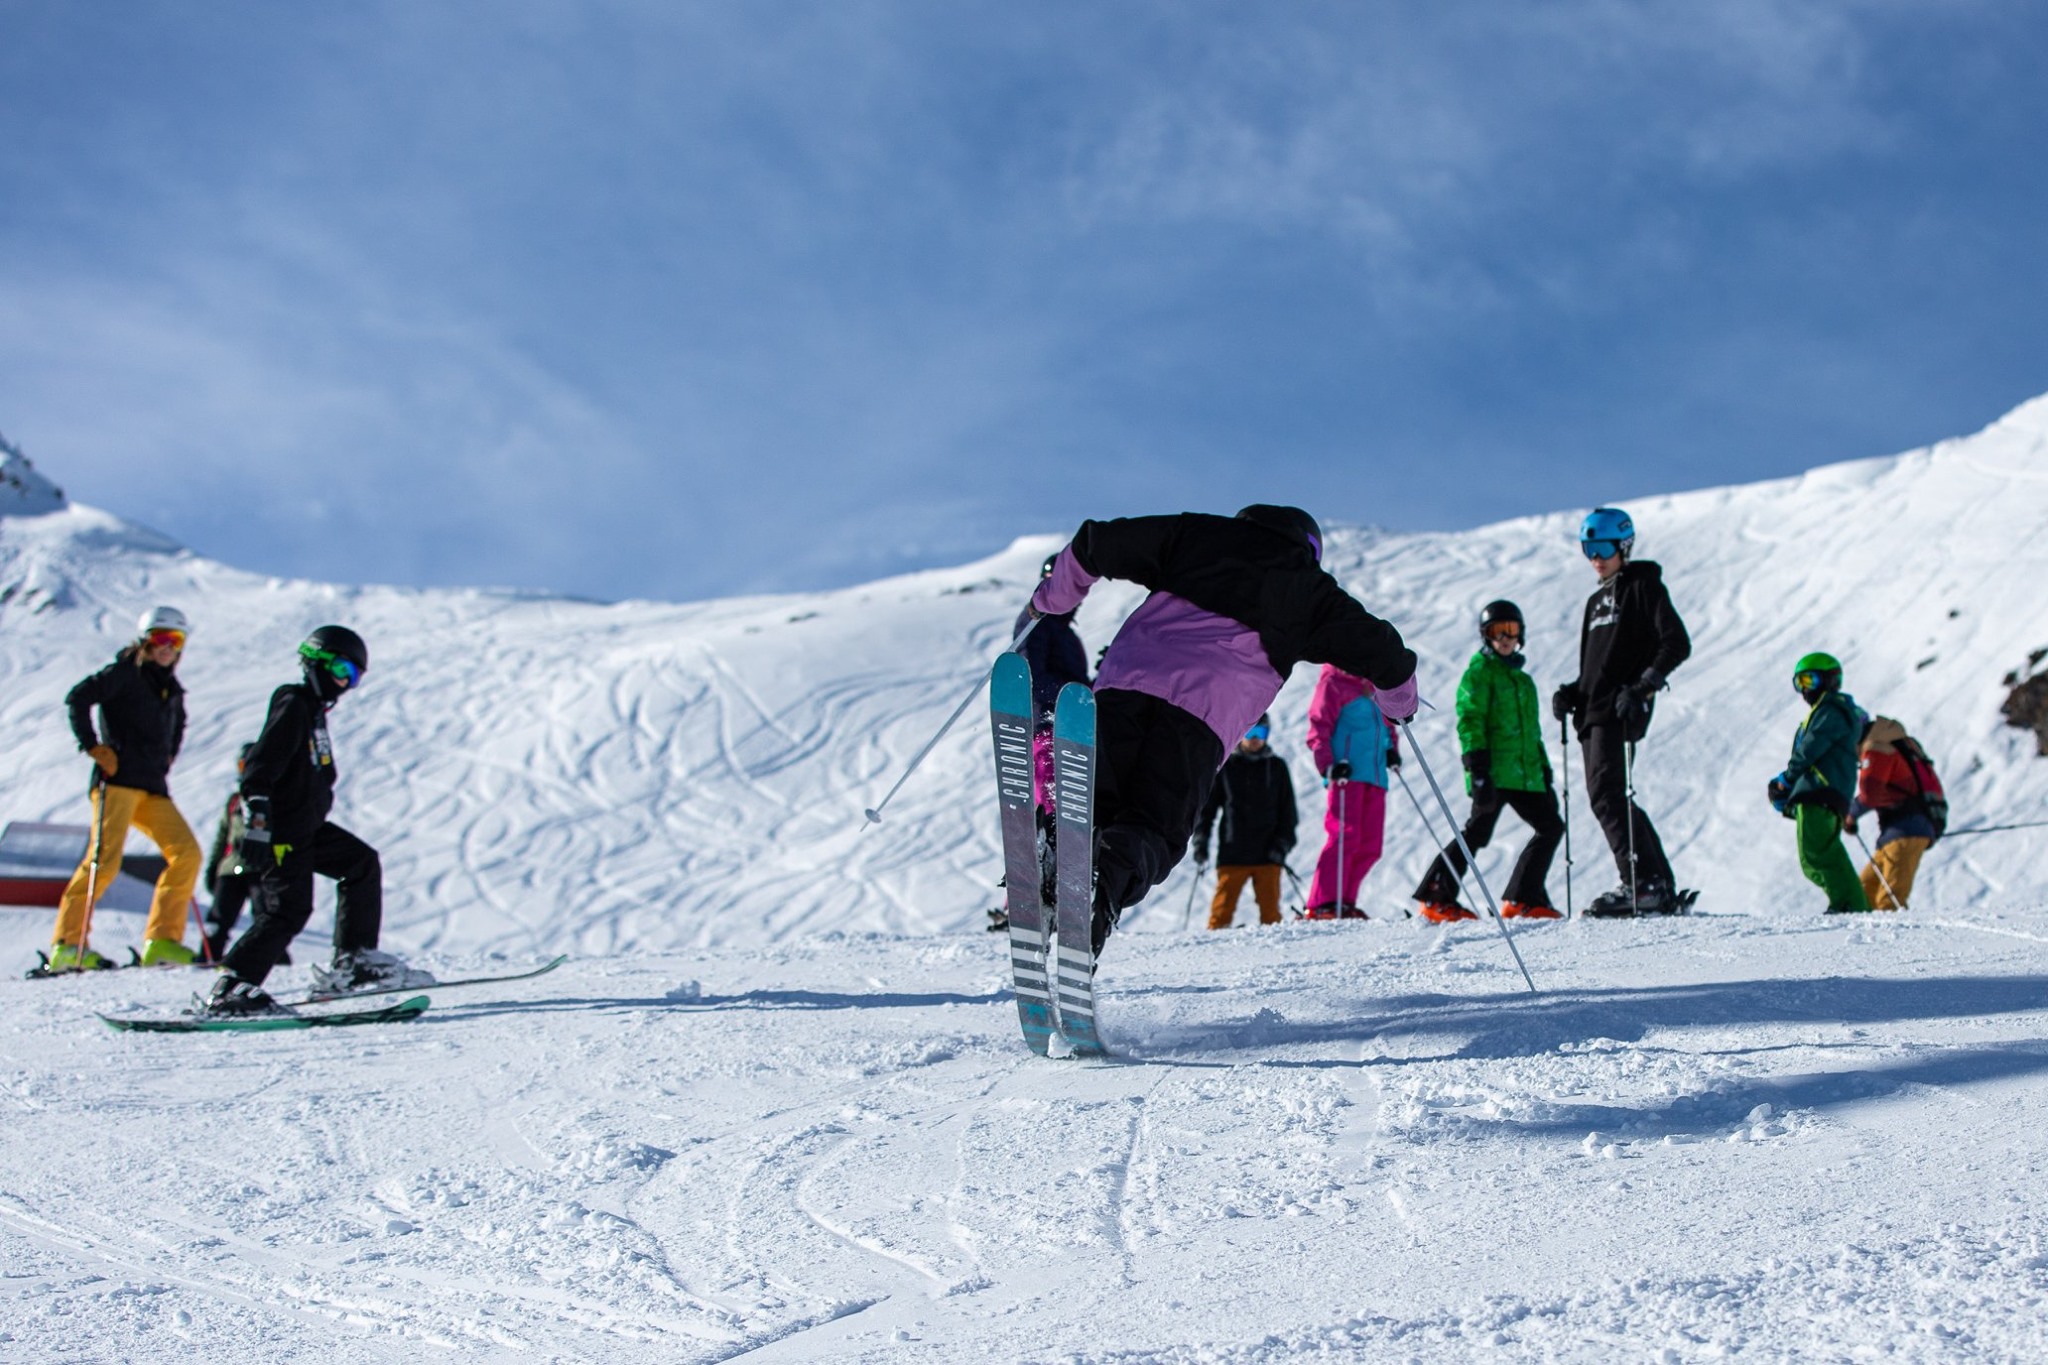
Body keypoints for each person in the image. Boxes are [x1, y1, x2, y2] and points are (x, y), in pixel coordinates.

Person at [1029, 505, 1417, 956]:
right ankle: (1104, 881)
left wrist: (1049, 602)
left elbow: (1094, 543)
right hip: (1201, 718)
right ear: (1309, 547)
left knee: (1099, 798)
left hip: (1126, 686)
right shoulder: (1309, 589)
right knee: (1154, 823)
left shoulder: (1195, 533)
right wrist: (1399, 710)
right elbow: (1388, 656)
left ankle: (1057, 844)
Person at [208, 626, 431, 1014]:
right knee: (287, 911)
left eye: (355, 677)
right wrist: (258, 817)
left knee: (360, 863)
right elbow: (260, 765)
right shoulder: (294, 702)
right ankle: (232, 987)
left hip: (305, 827)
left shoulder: (312, 713)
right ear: (319, 662)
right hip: (282, 831)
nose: (346, 684)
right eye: (344, 670)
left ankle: (354, 962)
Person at [1551, 507, 1692, 916]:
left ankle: (1642, 885)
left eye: (1604, 547)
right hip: (1592, 711)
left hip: (1621, 707)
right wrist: (1572, 692)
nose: (1596, 556)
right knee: (1608, 796)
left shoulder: (1643, 586)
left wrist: (1643, 686)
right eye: (1588, 548)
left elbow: (1676, 643)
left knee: (1608, 795)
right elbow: (1596, 668)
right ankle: (1655, 883)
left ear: (1624, 546)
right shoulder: (1596, 600)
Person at [48, 607, 204, 969]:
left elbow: (177, 729)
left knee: (187, 854)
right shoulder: (124, 673)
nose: (166, 647)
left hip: (152, 788)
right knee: (104, 861)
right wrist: (92, 746)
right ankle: (67, 947)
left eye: (175, 640)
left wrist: (167, 758)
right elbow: (78, 697)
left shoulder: (172, 690)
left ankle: (162, 942)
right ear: (146, 639)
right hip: (115, 782)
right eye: (160, 638)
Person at [1414, 600, 1566, 922]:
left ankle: (1522, 899)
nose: (1505, 637)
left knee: (1551, 827)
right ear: (1486, 636)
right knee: (1478, 832)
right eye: (1497, 631)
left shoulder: (1523, 681)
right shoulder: (1480, 673)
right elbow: (1470, 720)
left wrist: (1545, 773)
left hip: (1526, 775)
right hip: (1494, 772)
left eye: (1510, 629)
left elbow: (1532, 733)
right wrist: (1477, 766)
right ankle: (1436, 896)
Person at [1767, 652, 1871, 915]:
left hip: (1821, 790)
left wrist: (1787, 780)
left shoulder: (1831, 710)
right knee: (1813, 857)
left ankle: (1850, 905)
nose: (1804, 690)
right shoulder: (1829, 710)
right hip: (1820, 789)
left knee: (1819, 853)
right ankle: (1848, 903)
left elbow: (1811, 748)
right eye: (1799, 683)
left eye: (1809, 681)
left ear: (1830, 680)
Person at [1302, 666, 1397, 918]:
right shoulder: (1333, 683)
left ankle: (1344, 902)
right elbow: (1318, 726)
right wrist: (1328, 764)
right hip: (1347, 773)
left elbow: (1387, 725)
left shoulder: (1375, 685)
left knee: (1370, 845)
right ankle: (1322, 903)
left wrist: (1391, 748)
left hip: (1376, 776)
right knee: (1345, 837)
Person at [1192, 715, 1298, 928]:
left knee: (1271, 917)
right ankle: (1211, 953)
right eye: (1250, 733)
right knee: (1221, 914)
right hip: (1233, 852)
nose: (1255, 739)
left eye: (1261, 733)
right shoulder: (1227, 767)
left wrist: (1281, 846)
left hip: (1268, 854)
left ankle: (1277, 956)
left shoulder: (1276, 767)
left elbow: (1288, 813)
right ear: (1241, 735)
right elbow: (1207, 812)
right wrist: (1200, 843)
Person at [1848, 715, 1944, 910]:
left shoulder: (1878, 748)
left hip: (1904, 833)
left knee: (1888, 902)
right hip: (1898, 834)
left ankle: (1893, 940)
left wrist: (1849, 814)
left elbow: (1870, 794)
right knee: (1865, 891)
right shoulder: (1893, 744)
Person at [200, 745, 261, 960]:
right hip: (229, 868)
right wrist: (213, 867)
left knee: (265, 918)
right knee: (218, 919)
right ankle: (208, 957)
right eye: (242, 765)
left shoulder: (264, 795)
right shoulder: (235, 800)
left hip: (258, 868)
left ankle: (271, 958)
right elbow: (222, 836)